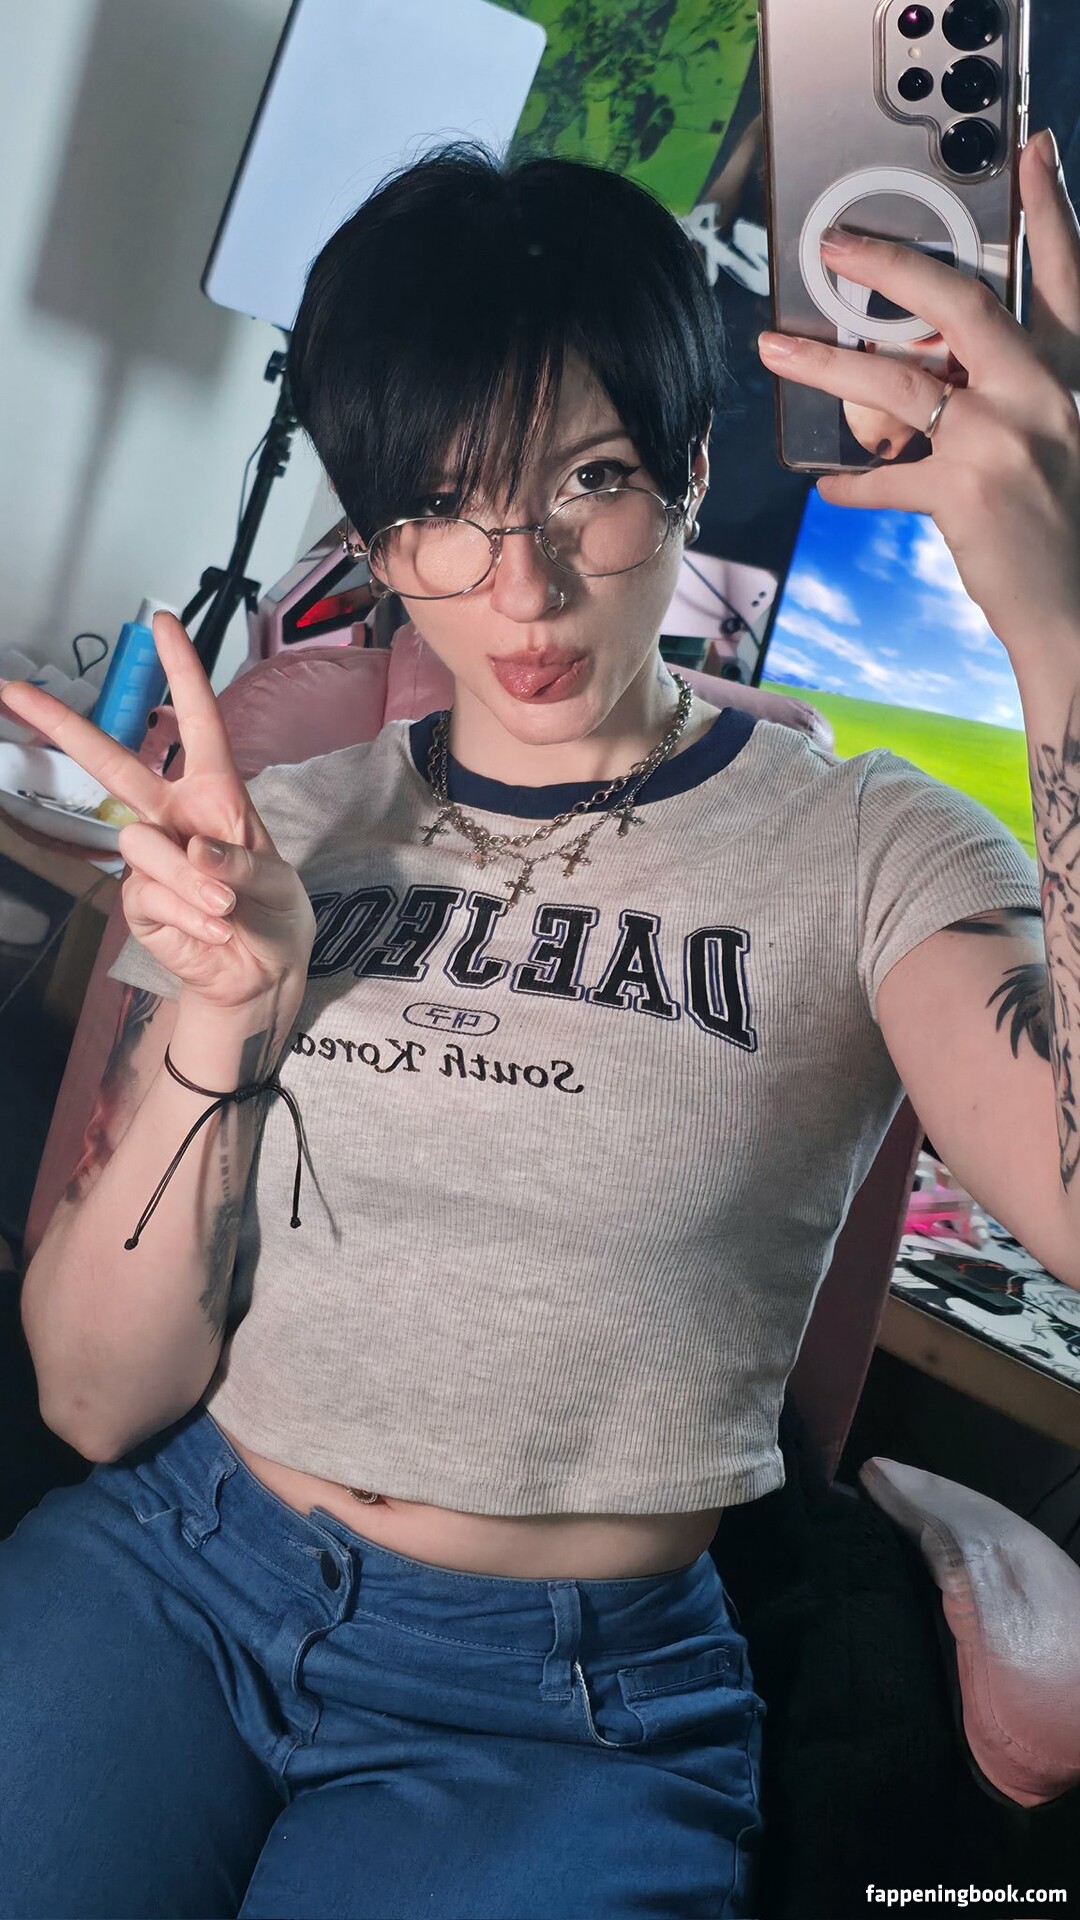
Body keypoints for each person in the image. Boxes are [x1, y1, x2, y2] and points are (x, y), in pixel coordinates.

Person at [0, 134, 1078, 1920]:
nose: (521, 588)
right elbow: (94, 1400)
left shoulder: (869, 845)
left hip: (560, 1706)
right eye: (441, 505)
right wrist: (231, 1015)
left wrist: (1061, 631)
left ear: (695, 463)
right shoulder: (278, 829)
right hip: (174, 1572)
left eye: (591, 478)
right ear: (378, 535)